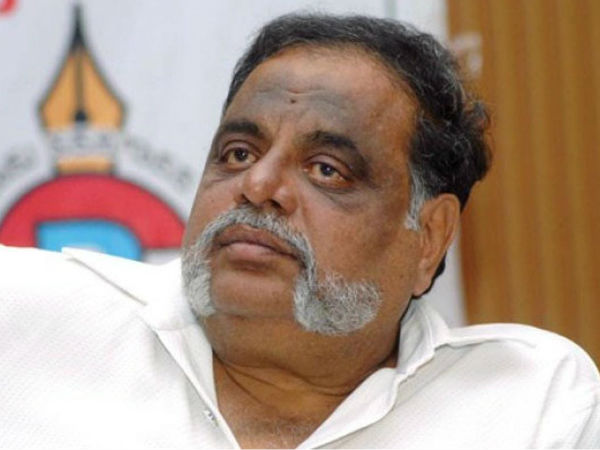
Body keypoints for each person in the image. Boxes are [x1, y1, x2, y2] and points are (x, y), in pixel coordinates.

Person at [1, 13, 598, 449]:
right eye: (238, 153)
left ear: (429, 237)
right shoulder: (27, 317)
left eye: (326, 170)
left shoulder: (529, 402)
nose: (258, 184)